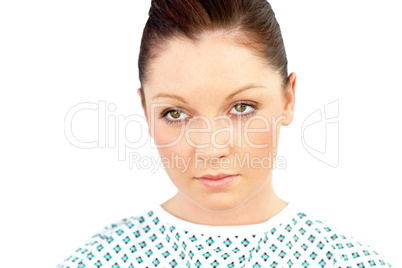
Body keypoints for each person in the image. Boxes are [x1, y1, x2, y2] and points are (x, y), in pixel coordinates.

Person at [56, 0, 393, 267]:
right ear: (145, 112)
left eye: (242, 108)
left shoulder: (350, 262)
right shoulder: (100, 260)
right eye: (175, 114)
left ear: (288, 99)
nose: (212, 149)